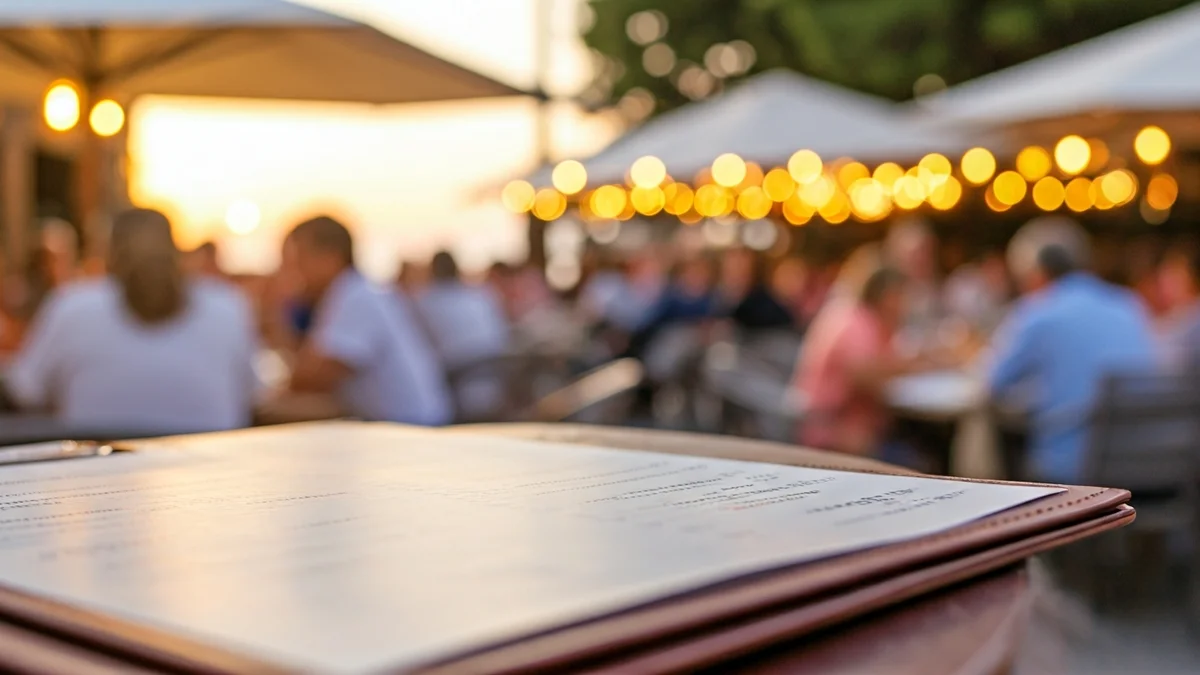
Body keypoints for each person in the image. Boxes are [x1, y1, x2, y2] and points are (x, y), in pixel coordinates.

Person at [6, 208, 259, 431]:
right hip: (212, 467)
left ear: (109, 253)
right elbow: (252, 395)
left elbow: (25, 391)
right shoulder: (227, 306)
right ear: (174, 250)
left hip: (95, 468)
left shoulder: (72, 306)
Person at [987, 219, 1157, 483]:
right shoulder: (1129, 304)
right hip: (1141, 463)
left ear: (1037, 273)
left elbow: (991, 382)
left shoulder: (1038, 311)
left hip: (1069, 472)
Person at [285, 216, 451, 425]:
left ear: (331, 257)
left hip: (411, 428)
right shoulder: (354, 291)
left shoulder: (355, 298)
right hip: (403, 424)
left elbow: (312, 380)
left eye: (299, 259)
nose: (293, 272)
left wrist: (275, 314)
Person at [794, 264, 924, 457]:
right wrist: (910, 367)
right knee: (919, 459)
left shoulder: (871, 320)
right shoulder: (856, 321)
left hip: (855, 425)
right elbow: (865, 376)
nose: (906, 304)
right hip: (831, 430)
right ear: (885, 296)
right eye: (900, 296)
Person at [415, 251, 510, 418]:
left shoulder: (426, 303)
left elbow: (418, 348)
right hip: (497, 387)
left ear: (432, 271)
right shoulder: (481, 296)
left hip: (455, 394)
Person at [1156, 242, 1200, 369]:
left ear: (1190, 279)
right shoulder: (1163, 318)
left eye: (1173, 279)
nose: (1165, 287)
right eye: (1162, 280)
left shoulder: (1195, 316)